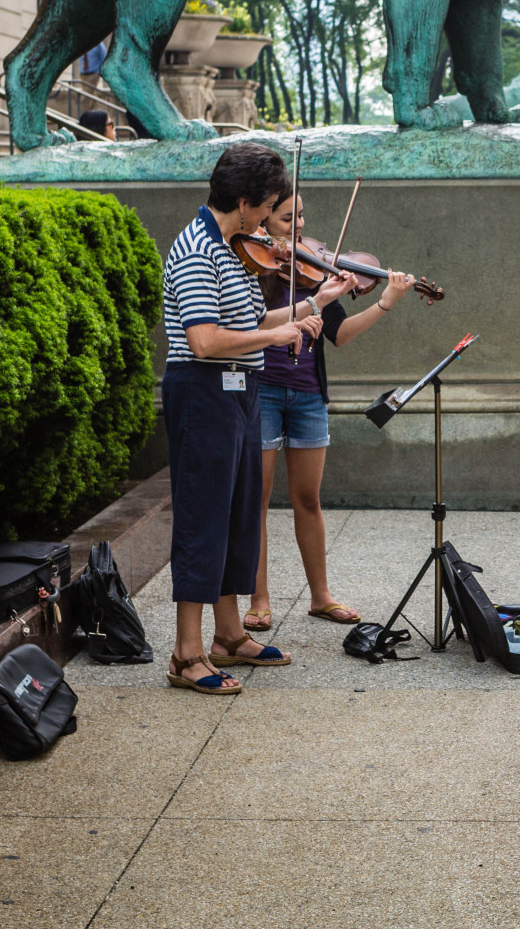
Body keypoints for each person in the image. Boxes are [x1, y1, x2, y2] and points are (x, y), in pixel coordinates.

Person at [160, 142, 335, 694]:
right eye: (266, 208)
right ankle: (187, 654)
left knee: (237, 514)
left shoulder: (229, 246)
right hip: (203, 390)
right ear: (243, 201)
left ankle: (229, 634)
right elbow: (205, 340)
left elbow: (254, 317)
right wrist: (274, 336)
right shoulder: (196, 250)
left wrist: (312, 306)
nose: (269, 222)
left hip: (238, 390)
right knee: (202, 519)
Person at [243, 191, 417, 631]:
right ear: (264, 218)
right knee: (256, 502)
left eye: (301, 216)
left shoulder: (314, 270)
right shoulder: (250, 264)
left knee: (308, 499)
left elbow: (338, 334)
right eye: (287, 218)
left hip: (307, 395)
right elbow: (250, 322)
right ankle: (259, 598)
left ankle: (320, 596)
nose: (299, 227)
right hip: (261, 389)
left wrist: (385, 302)